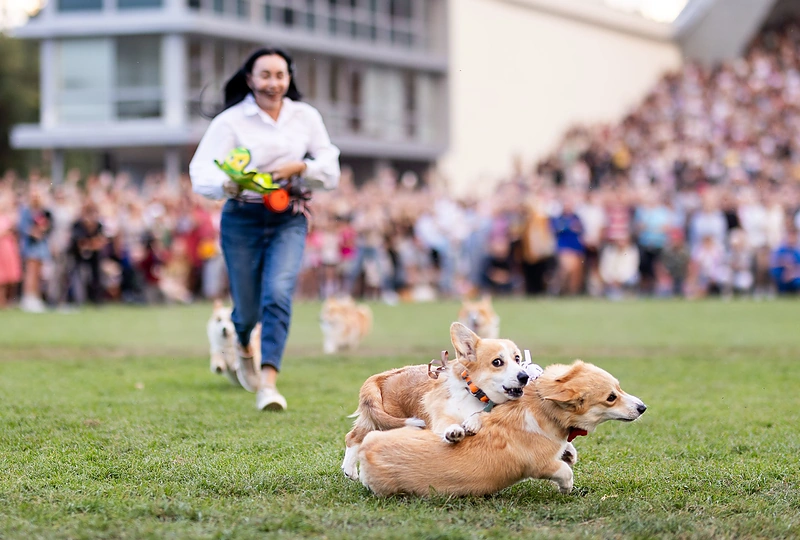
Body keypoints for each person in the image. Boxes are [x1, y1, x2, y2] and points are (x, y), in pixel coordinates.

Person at [189, 47, 340, 411]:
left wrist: (299, 168)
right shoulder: (230, 121)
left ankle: (268, 383)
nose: (273, 83)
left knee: (277, 293)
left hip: (289, 215)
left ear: (289, 79)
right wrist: (227, 185)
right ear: (250, 79)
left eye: (280, 75)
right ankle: (241, 339)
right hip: (242, 217)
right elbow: (201, 171)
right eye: (265, 75)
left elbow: (330, 166)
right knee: (247, 308)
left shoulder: (305, 117)